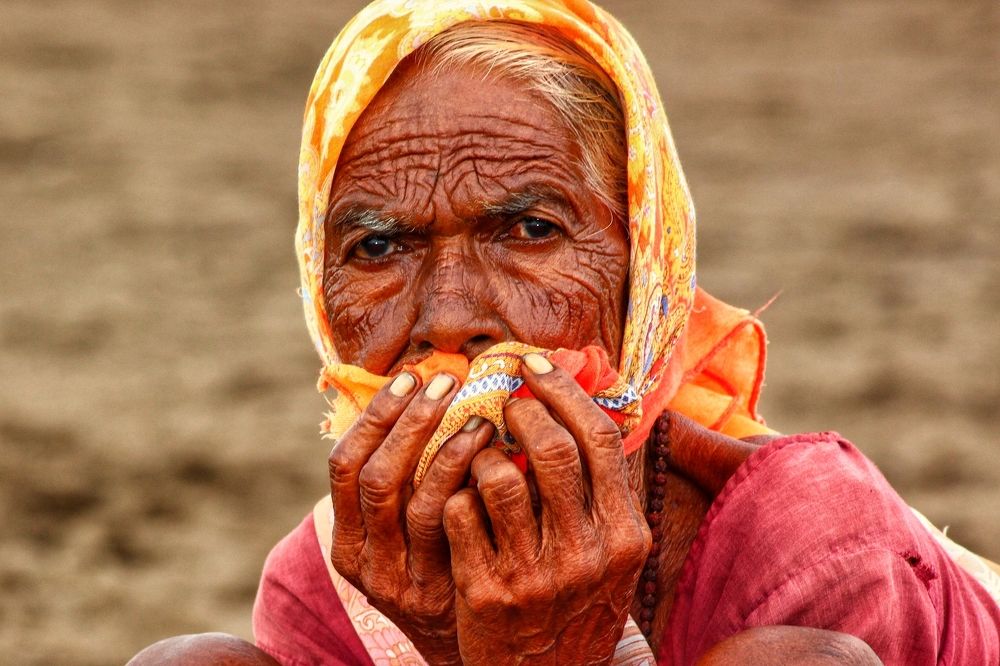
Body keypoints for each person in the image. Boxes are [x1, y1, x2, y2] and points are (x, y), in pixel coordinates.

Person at [129, 1, 1000, 664]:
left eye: (530, 231)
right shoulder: (329, 585)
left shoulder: (809, 548)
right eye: (380, 246)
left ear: (643, 273)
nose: (450, 317)